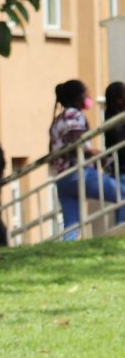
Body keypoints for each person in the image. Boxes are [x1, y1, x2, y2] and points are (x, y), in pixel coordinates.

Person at [49, 79, 125, 239]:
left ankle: (67, 252)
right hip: (79, 173)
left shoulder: (57, 120)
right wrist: (94, 154)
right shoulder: (74, 115)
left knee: (71, 224)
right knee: (122, 194)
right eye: (86, 94)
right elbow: (75, 142)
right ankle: (120, 234)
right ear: (78, 97)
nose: (89, 98)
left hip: (62, 177)